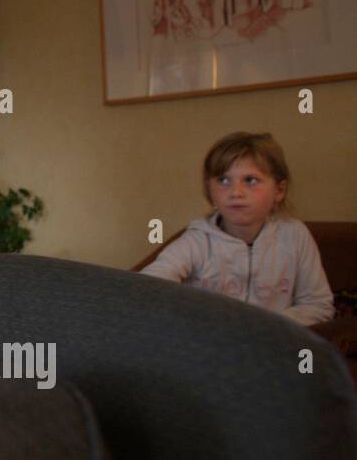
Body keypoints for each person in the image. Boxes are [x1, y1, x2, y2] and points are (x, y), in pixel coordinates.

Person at [141, 131, 334, 326]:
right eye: (223, 180)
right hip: (212, 345)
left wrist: (267, 326)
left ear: (279, 190)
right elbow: (148, 286)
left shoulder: (294, 235)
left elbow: (318, 305)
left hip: (275, 344)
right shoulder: (196, 241)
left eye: (250, 180)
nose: (236, 192)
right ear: (210, 191)